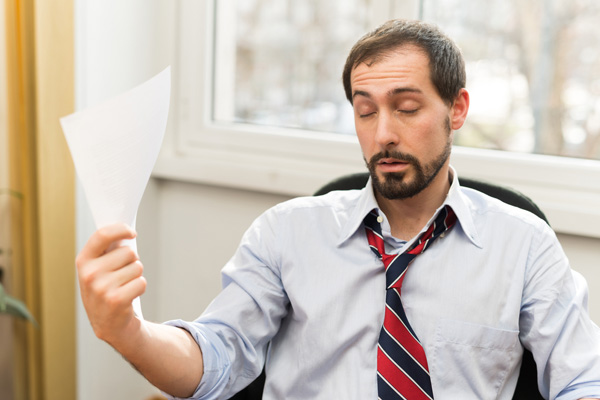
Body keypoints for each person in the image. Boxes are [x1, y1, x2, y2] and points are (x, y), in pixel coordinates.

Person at [76, 19, 600, 399]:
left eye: (407, 107)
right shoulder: (285, 232)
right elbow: (216, 359)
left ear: (456, 109)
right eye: (364, 110)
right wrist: (130, 332)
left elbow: (583, 379)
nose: (383, 134)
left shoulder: (523, 244)